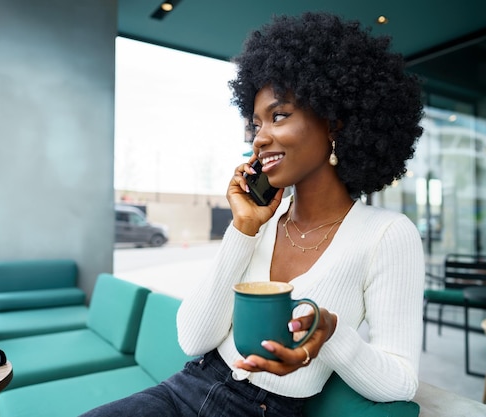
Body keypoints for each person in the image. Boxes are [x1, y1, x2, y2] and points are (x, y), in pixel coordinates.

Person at [81, 11, 425, 417]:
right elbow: (193, 339)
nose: (259, 138)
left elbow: (402, 380)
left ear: (334, 122)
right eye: (255, 123)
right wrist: (243, 228)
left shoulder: (386, 234)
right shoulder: (261, 220)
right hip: (186, 388)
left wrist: (329, 334)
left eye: (279, 116)